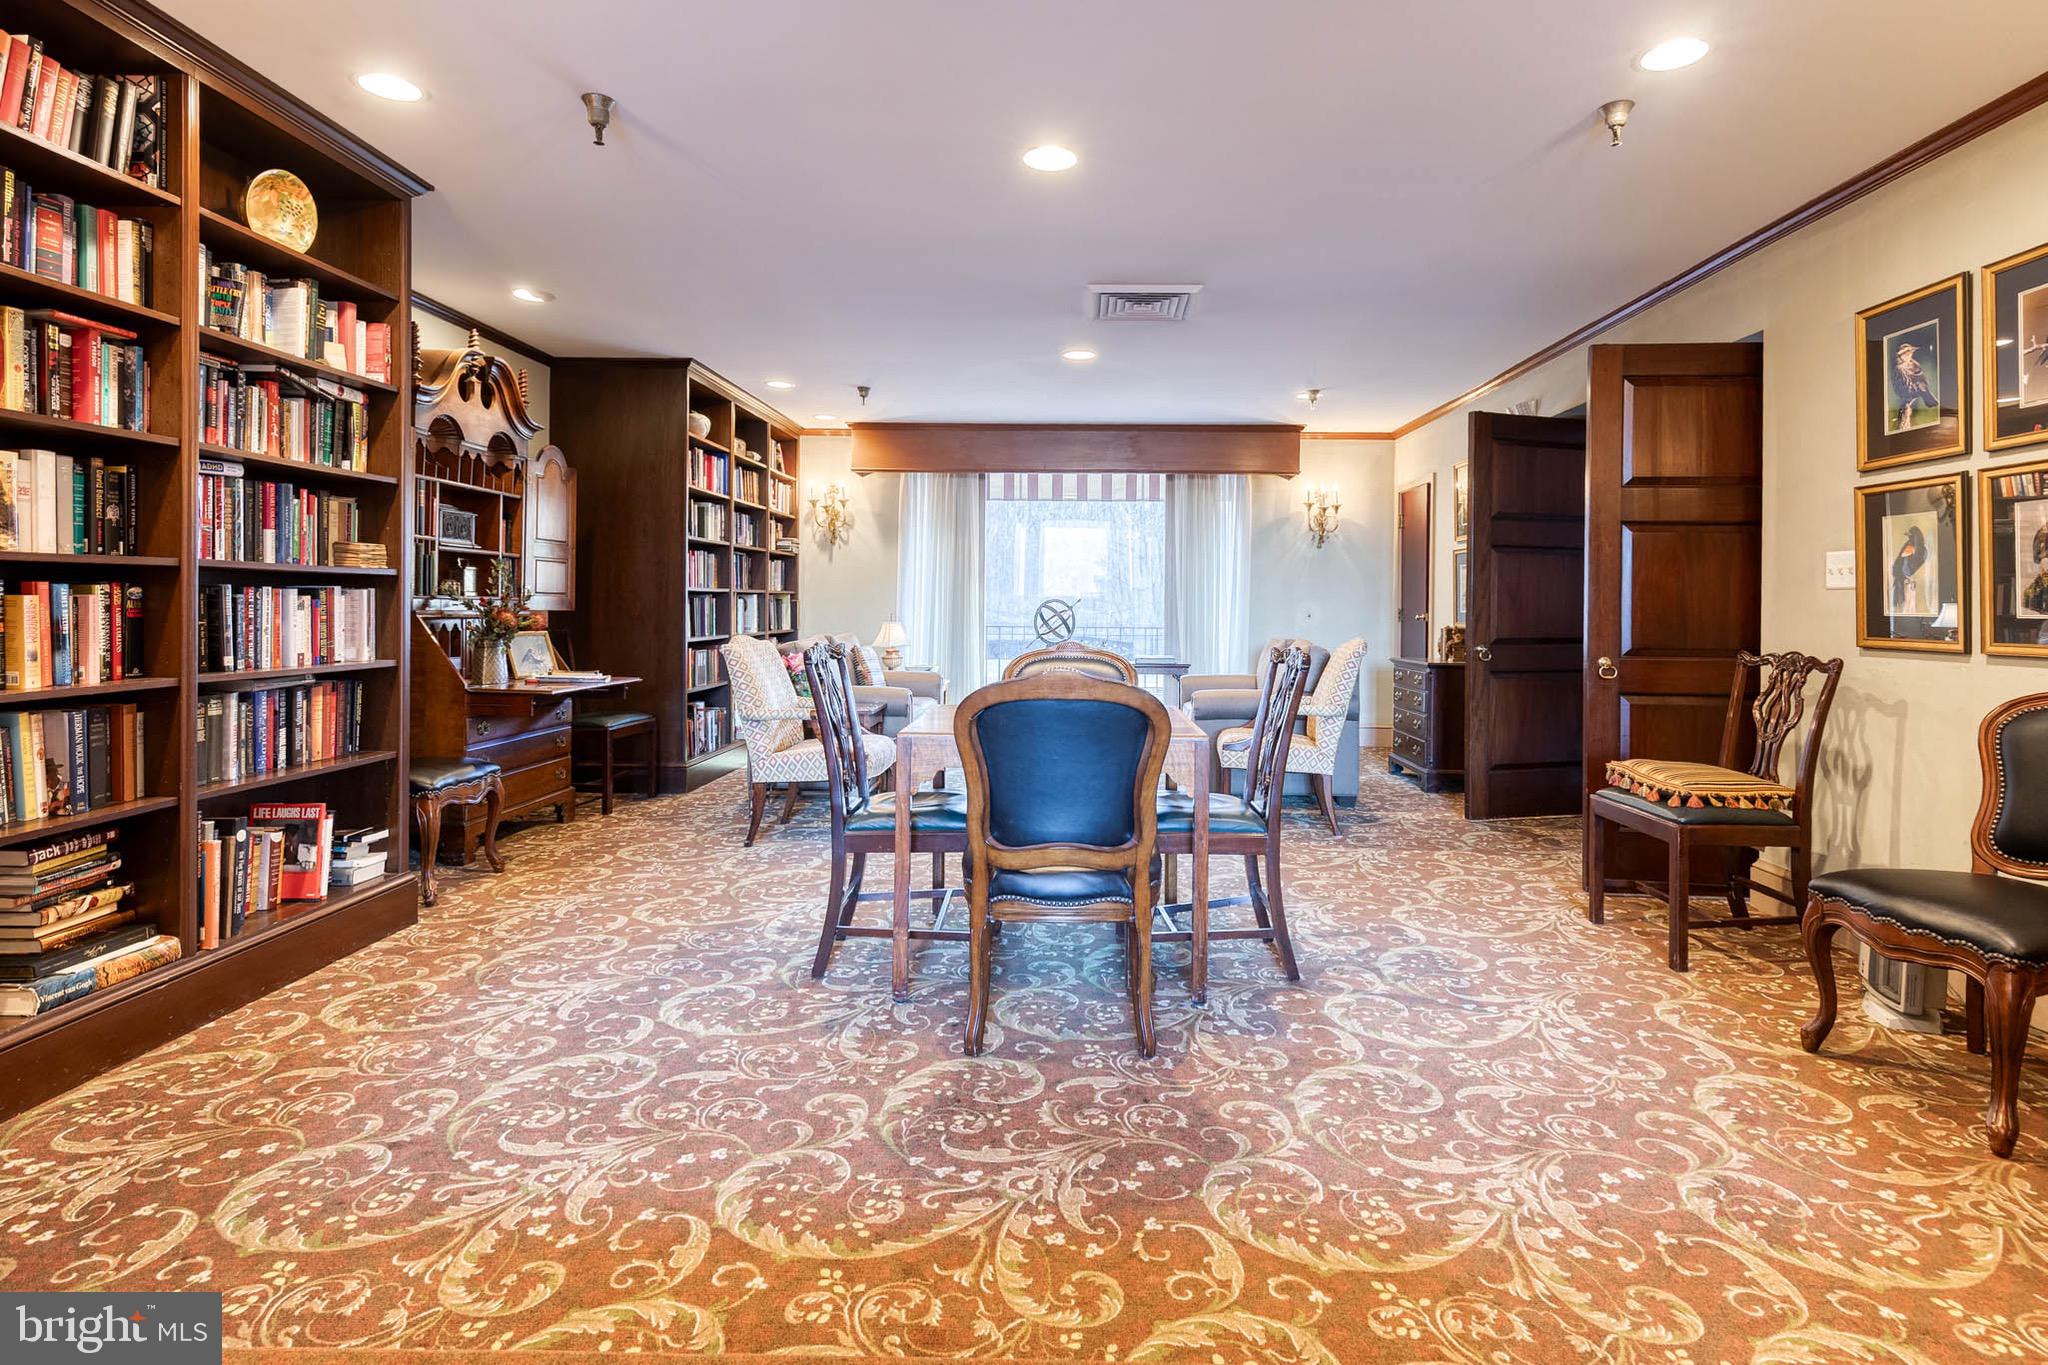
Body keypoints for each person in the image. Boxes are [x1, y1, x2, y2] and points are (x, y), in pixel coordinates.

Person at [1891, 340, 1939, 429]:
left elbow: (1922, 382)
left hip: (1919, 385)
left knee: (1907, 406)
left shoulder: (1913, 365)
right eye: (1908, 351)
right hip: (1907, 394)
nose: (1911, 353)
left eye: (1911, 351)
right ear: (1901, 355)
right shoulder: (1897, 368)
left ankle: (1912, 404)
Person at [1891, 524, 1929, 615]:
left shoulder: (1923, 550)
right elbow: (1900, 563)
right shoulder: (1909, 545)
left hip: (1908, 579)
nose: (1909, 538)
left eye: (1910, 535)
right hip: (1901, 575)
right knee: (1901, 597)